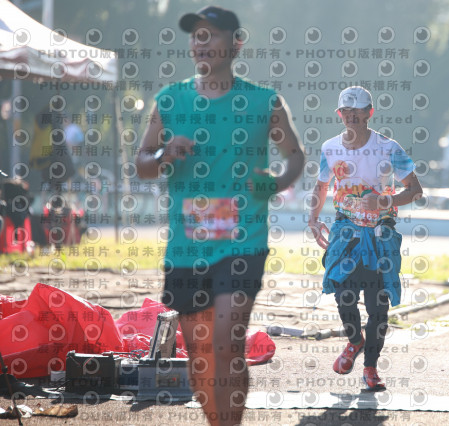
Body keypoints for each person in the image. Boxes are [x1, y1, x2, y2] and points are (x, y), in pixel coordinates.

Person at [135, 5, 303, 425]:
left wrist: (276, 183)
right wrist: (164, 153)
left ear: (236, 43)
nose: (201, 42)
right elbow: (142, 163)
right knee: (200, 355)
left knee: (227, 344)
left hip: (243, 241)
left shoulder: (265, 102)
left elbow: (295, 156)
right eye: (196, 35)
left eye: (210, 34)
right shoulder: (170, 100)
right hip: (186, 247)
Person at [307, 86, 423, 390]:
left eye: (358, 111)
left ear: (369, 112)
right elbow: (321, 186)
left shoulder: (388, 148)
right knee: (343, 294)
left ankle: (370, 367)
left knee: (377, 307)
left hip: (380, 234)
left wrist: (385, 201)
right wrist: (313, 219)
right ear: (339, 114)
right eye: (346, 111)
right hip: (345, 231)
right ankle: (355, 340)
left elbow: (415, 190)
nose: (352, 117)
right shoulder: (331, 148)